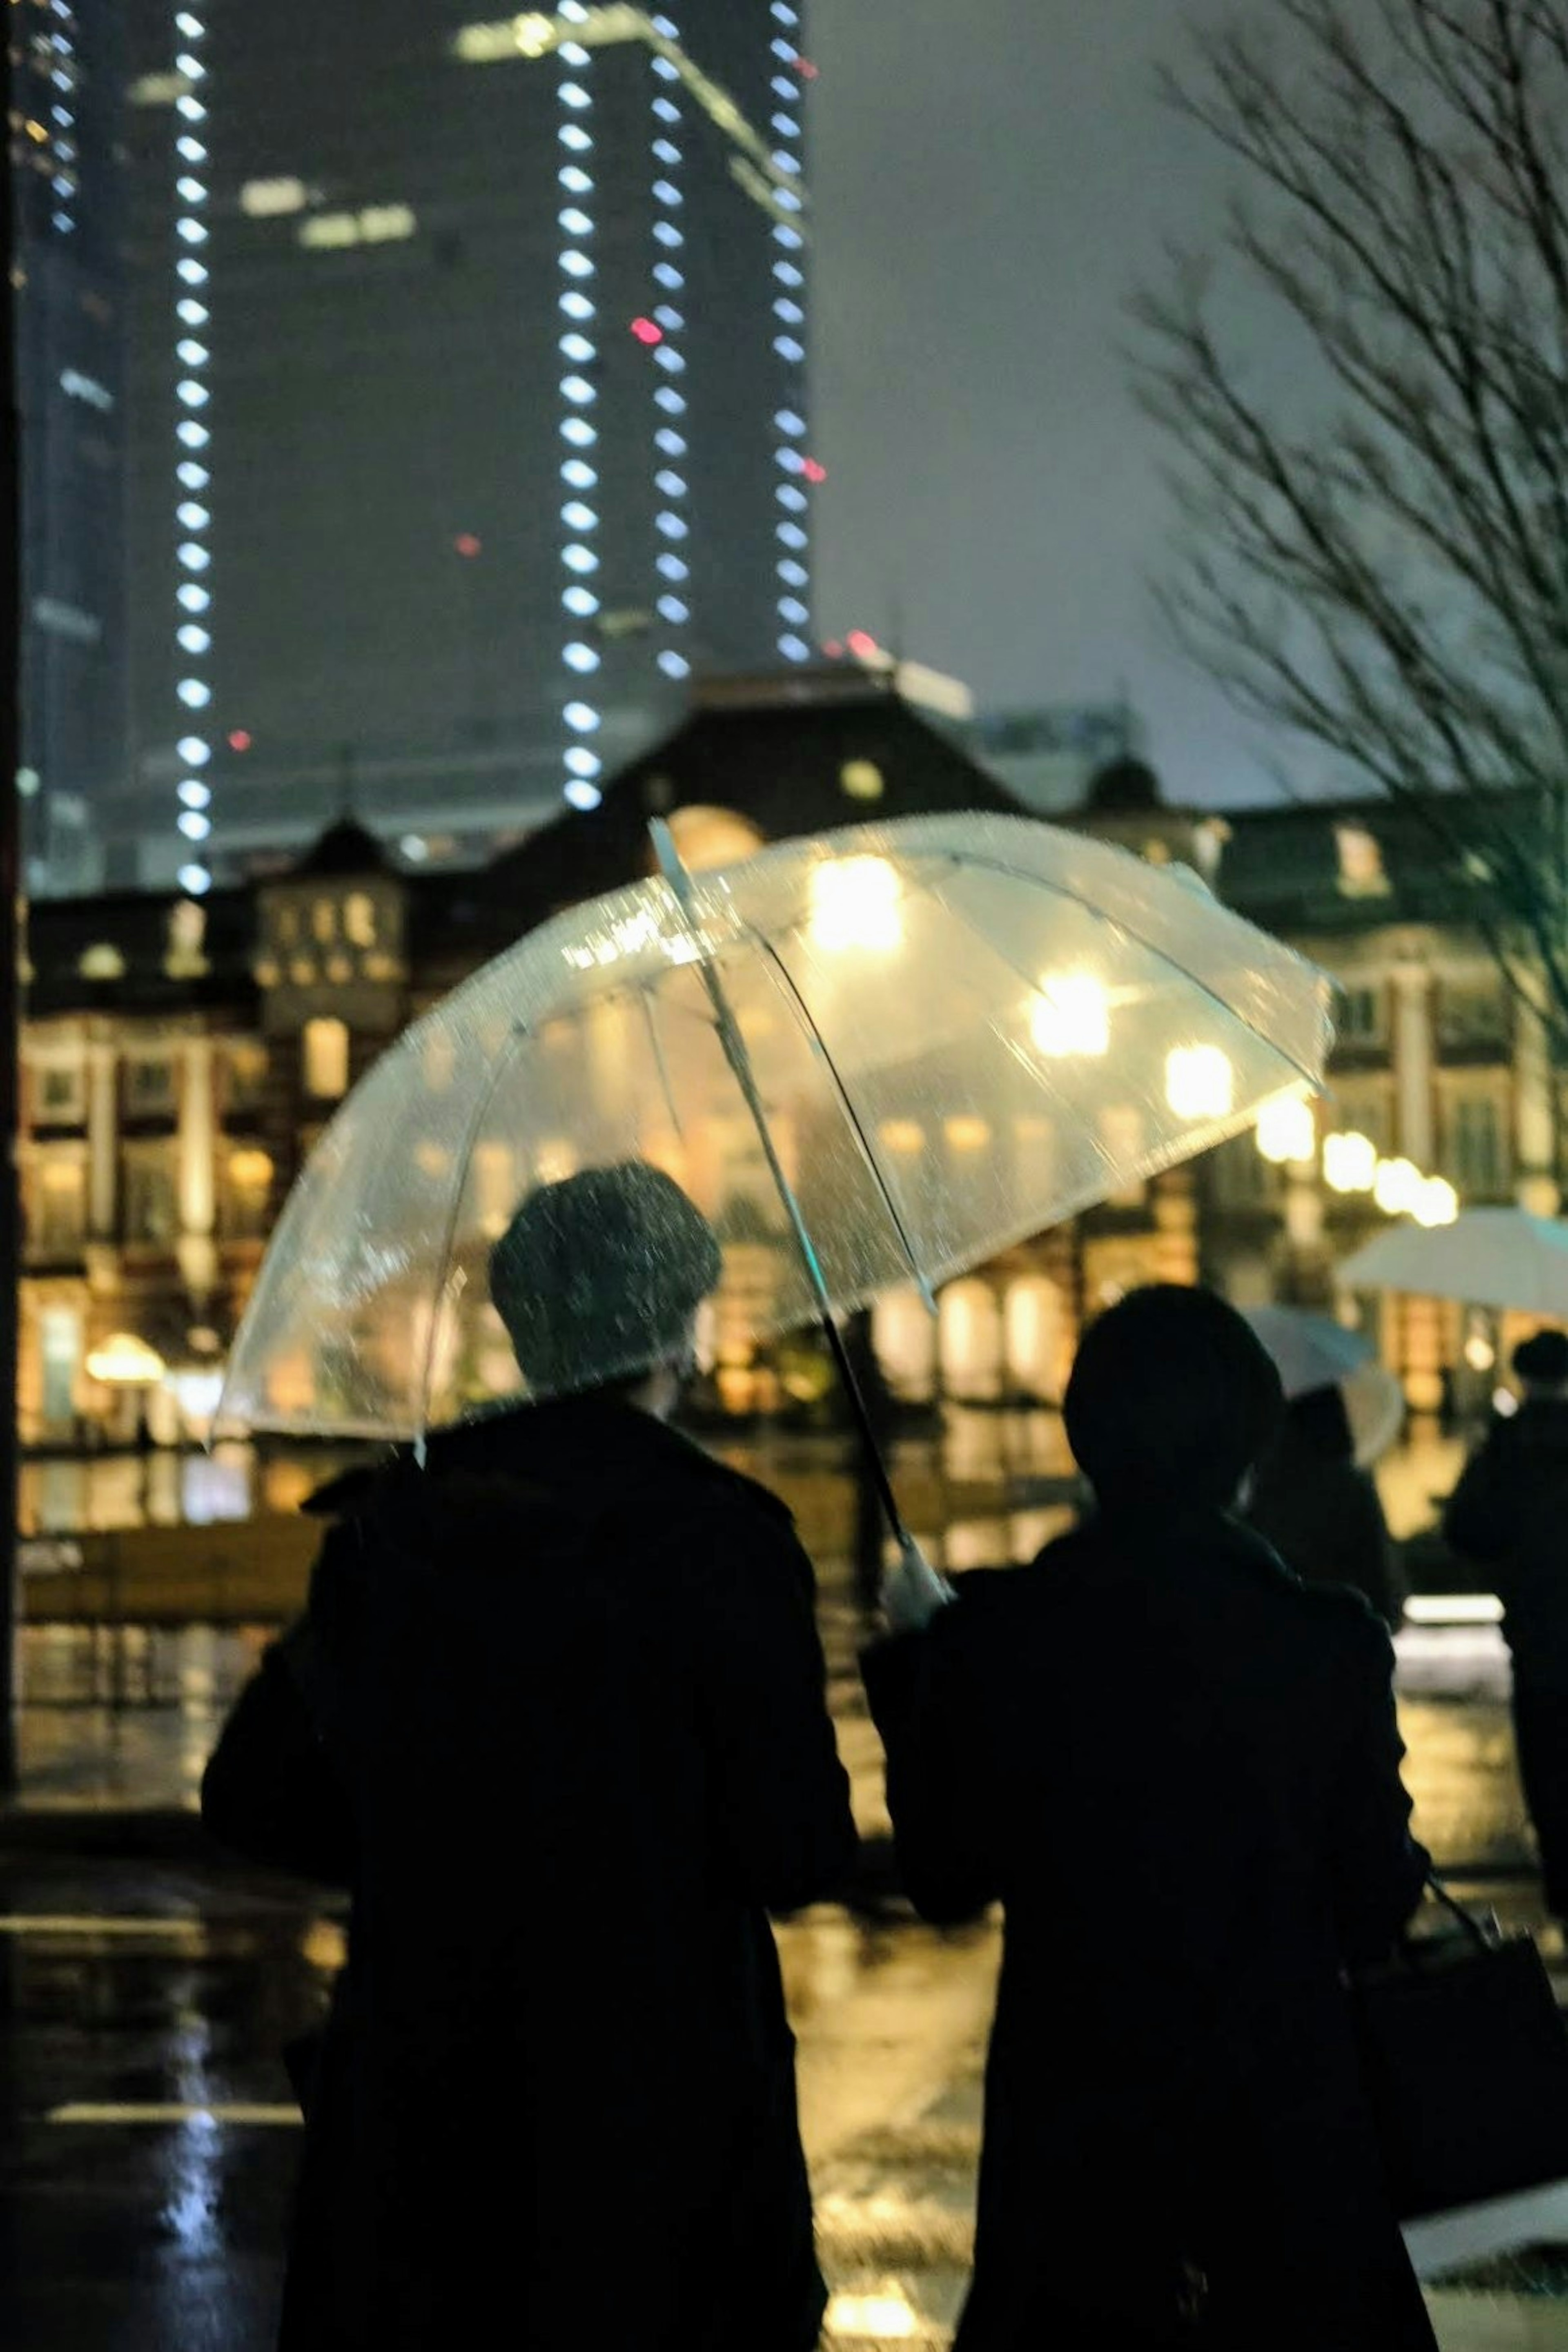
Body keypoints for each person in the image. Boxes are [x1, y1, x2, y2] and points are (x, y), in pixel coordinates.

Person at [203, 1160, 858, 2352]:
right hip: (667, 2118)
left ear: (524, 1333)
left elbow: (254, 1801)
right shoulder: (722, 1539)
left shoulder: (397, 1525)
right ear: (681, 1327)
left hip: (427, 2113)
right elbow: (794, 1849)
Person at [865, 1285, 1434, 2352]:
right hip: (1280, 2124)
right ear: (1250, 1450)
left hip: (1075, 2126)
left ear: (1086, 1440)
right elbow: (1373, 1905)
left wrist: (921, 1669)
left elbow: (943, 1878)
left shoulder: (1005, 1638)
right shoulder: (1324, 1643)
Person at [1444, 1327, 1568, 1922]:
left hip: (1537, 1632)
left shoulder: (1507, 1442)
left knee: (1547, 1764)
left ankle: (1563, 1889)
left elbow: (1466, 1527)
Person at [1245, 1381, 1405, 1628]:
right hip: (1341, 1634)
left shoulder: (1261, 1488)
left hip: (1276, 1634)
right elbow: (1381, 1587)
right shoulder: (1350, 1488)